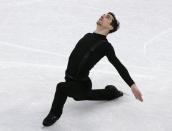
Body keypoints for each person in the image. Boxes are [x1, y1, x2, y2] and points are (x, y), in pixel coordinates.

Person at [42, 12, 143, 127]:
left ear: (111, 27)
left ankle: (54, 114)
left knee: (61, 88)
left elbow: (118, 65)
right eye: (104, 14)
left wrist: (132, 85)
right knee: (80, 96)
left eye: (107, 17)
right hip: (70, 79)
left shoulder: (106, 46)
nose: (103, 16)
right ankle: (110, 93)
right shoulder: (87, 36)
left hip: (81, 84)